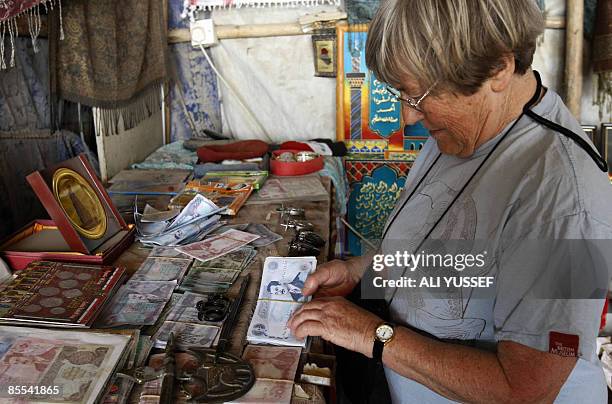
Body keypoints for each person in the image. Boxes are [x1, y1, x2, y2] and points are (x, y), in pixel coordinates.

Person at [288, 0, 612, 402]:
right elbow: (456, 255)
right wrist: (362, 271)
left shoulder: (568, 200)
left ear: (498, 68)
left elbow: (524, 391)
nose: (408, 117)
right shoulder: (464, 130)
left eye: (417, 95)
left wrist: (371, 334)